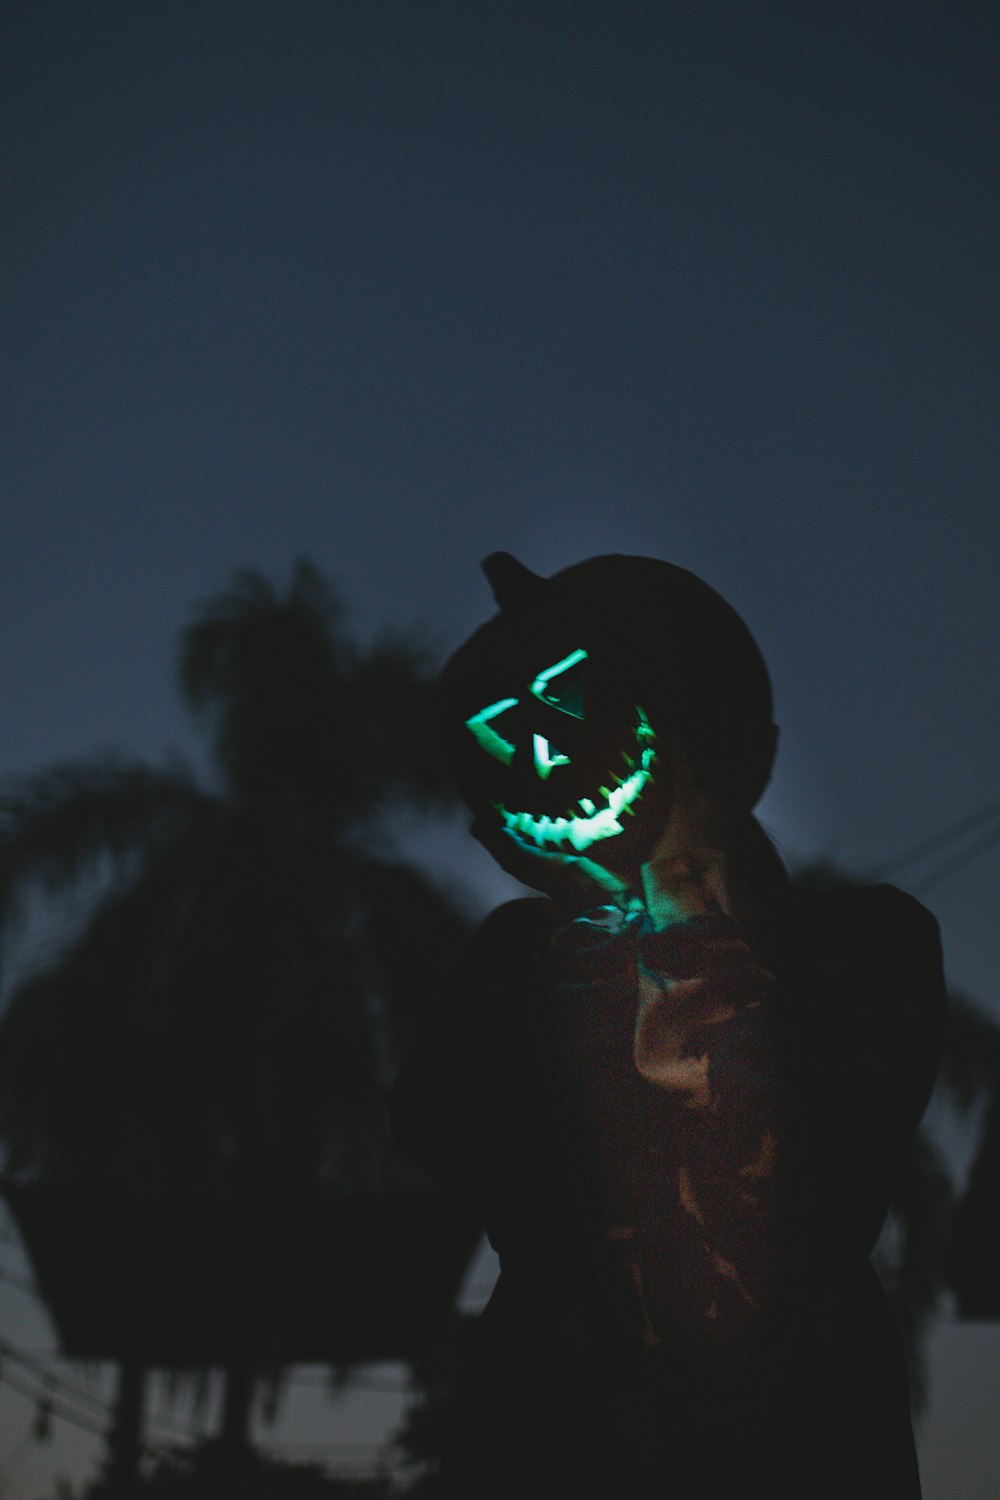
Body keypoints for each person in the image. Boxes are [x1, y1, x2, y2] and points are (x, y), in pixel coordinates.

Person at [391, 553, 944, 1498]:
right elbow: (483, 1159)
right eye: (506, 732)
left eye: (573, 699)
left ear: (743, 751)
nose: (549, 757)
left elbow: (818, 1187)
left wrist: (683, 886)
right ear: (495, 839)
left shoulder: (865, 945)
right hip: (549, 1451)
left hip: (801, 1454)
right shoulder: (506, 979)